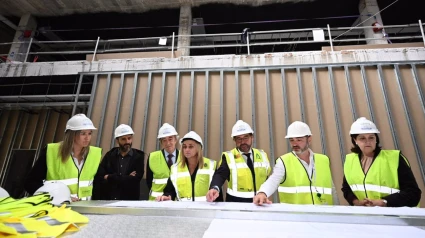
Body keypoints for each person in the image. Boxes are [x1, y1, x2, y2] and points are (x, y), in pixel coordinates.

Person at [342, 117, 421, 207]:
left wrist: (384, 202)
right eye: (362, 138)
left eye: (371, 137)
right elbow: (346, 188)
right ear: (355, 140)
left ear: (376, 139)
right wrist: (356, 202)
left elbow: (413, 193)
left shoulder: (394, 158)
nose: (368, 142)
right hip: (365, 216)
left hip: (396, 217)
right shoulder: (350, 160)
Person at [253, 121, 337, 205]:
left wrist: (336, 210)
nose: (294, 144)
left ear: (309, 139)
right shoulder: (283, 161)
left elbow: (331, 188)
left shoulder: (323, 160)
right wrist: (262, 193)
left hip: (323, 214)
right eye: (291, 140)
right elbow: (273, 180)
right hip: (295, 215)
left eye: (299, 140)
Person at [25, 114, 102, 201]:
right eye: (83, 133)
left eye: (89, 133)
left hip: (85, 209)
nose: (87, 138)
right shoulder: (52, 152)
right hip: (58, 208)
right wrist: (58, 197)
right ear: (72, 134)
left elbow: (98, 185)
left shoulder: (94, 154)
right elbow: (30, 183)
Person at [206, 120, 271, 203]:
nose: (243, 142)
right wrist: (215, 188)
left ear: (252, 137)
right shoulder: (229, 156)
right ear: (234, 140)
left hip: (259, 201)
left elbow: (269, 178)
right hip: (235, 203)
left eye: (245, 138)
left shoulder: (262, 155)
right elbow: (221, 174)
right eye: (239, 139)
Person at [156, 131, 216, 202]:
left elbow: (217, 192)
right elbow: (170, 190)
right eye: (184, 147)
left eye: (191, 147)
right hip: (183, 210)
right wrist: (168, 196)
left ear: (198, 148)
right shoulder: (175, 168)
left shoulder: (211, 165)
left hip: (205, 210)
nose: (187, 150)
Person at [93, 124, 144, 200]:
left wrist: (110, 177)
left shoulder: (138, 157)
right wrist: (127, 177)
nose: (127, 141)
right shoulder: (110, 155)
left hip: (129, 201)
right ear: (117, 140)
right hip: (109, 199)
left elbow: (134, 180)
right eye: (123, 139)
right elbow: (100, 176)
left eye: (129, 138)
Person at [146, 123, 180, 200]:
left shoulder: (184, 157)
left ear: (176, 139)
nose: (168, 143)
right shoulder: (152, 157)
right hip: (156, 201)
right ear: (161, 142)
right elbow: (149, 181)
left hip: (177, 201)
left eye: (170, 139)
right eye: (164, 140)